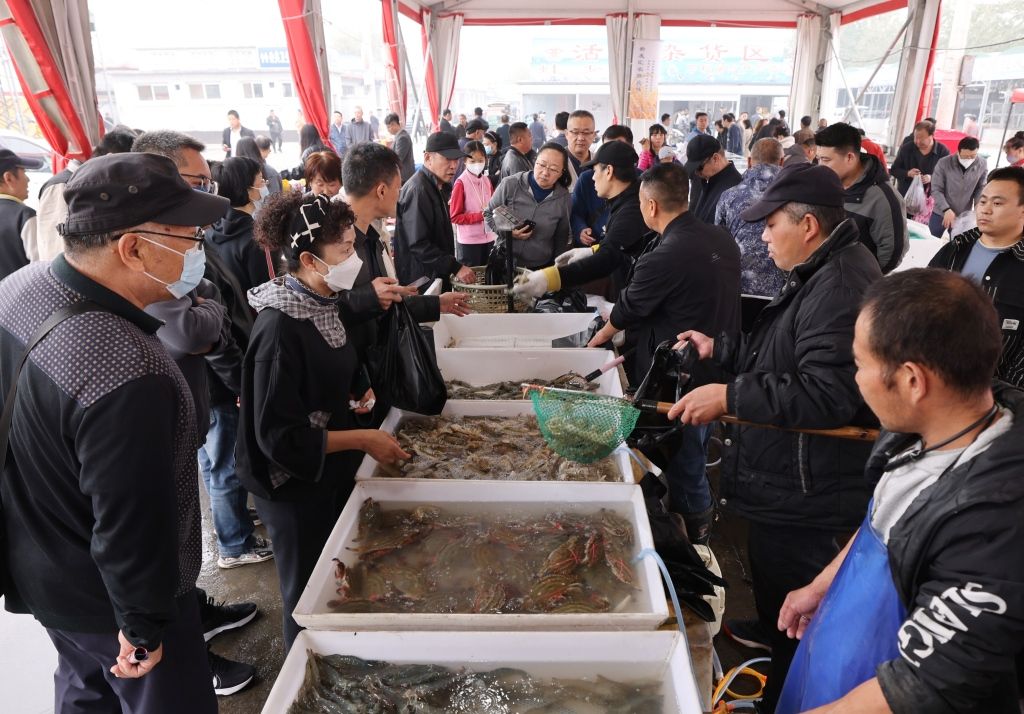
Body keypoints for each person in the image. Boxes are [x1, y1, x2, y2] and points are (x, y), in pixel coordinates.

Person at [0, 152, 229, 713]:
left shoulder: (17, 288)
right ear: (132, 248)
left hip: (41, 565)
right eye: (187, 236)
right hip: (114, 599)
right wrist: (143, 623)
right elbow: (132, 519)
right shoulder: (128, 368)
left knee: (83, 690)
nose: (197, 250)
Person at [666, 163, 883, 709]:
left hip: (809, 491)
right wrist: (721, 349)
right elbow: (783, 354)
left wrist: (728, 397)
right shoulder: (821, 267)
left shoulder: (840, 286)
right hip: (786, 481)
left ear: (807, 225)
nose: (762, 238)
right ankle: (771, 642)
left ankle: (782, 698)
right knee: (777, 600)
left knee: (798, 621)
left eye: (770, 225)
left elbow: (828, 395)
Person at [776, 269, 1024, 714]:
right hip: (840, 644)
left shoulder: (996, 526)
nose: (857, 379)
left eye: (861, 364)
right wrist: (824, 582)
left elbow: (925, 686)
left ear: (912, 380)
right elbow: (887, 516)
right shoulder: (925, 425)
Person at [239, 192, 410, 652]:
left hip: (325, 466)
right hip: (289, 482)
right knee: (306, 592)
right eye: (345, 249)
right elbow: (279, 438)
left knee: (335, 568)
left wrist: (358, 387)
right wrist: (364, 438)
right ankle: (305, 664)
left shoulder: (322, 300)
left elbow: (335, 354)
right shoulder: (279, 329)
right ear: (309, 260)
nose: (355, 259)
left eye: (354, 245)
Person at [585, 162, 740, 542]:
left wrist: (597, 340)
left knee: (685, 463)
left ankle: (696, 541)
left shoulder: (666, 254)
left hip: (681, 380)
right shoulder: (721, 238)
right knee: (694, 453)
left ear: (651, 205)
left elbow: (626, 311)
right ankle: (693, 521)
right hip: (719, 365)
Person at [515, 140, 650, 305]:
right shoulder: (626, 202)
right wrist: (594, 250)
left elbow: (608, 258)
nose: (592, 177)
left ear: (608, 171)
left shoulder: (631, 210)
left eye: (595, 171)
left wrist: (549, 278)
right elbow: (625, 246)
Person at [929, 166, 1024, 388]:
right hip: (934, 377)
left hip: (993, 391)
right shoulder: (955, 249)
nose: (985, 209)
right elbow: (919, 303)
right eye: (982, 201)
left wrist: (1003, 393)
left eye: (997, 203)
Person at [814, 122, 907, 274]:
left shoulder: (883, 198)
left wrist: (861, 278)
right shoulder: (825, 183)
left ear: (850, 158)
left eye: (826, 160)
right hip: (822, 276)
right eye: (818, 159)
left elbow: (892, 253)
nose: (820, 165)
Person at [34, 126, 137, 263]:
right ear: (111, 157)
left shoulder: (94, 182)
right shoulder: (61, 186)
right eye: (126, 166)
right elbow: (55, 247)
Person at [394, 132, 476, 290]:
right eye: (447, 159)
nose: (454, 165)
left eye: (456, 159)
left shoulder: (438, 186)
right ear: (427, 158)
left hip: (435, 274)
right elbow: (418, 244)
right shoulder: (418, 190)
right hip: (422, 280)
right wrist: (454, 266)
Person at [715, 138, 786, 297]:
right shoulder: (793, 197)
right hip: (782, 294)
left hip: (737, 289)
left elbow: (718, 243)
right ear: (782, 161)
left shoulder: (728, 196)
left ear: (749, 161)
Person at [485, 141, 572, 271]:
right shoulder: (510, 184)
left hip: (540, 267)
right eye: (542, 165)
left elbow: (561, 237)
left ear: (561, 172)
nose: (545, 172)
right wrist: (507, 233)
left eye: (553, 169)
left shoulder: (563, 197)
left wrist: (557, 269)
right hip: (505, 261)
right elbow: (488, 214)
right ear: (534, 161)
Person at [207, 157, 273, 293]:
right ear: (248, 190)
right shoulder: (259, 238)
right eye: (261, 180)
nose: (265, 184)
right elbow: (270, 292)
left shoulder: (210, 229)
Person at [569, 124, 633, 249]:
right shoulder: (587, 178)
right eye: (607, 147)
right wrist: (580, 229)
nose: (612, 153)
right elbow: (575, 212)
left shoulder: (641, 183)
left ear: (631, 148)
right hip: (592, 245)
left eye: (618, 147)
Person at [928, 136, 987, 238]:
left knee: (958, 243)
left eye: (973, 156)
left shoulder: (982, 163)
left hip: (963, 214)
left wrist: (978, 204)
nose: (969, 159)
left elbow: (980, 187)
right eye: (965, 156)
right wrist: (946, 209)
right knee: (932, 239)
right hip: (941, 212)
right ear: (958, 152)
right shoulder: (944, 163)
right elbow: (936, 189)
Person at [450, 140, 497, 267]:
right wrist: (480, 216)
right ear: (465, 161)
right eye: (472, 161)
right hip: (469, 243)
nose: (477, 164)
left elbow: (493, 205)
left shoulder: (486, 180)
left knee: (489, 275)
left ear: (486, 160)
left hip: (490, 237)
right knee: (472, 277)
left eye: (481, 160)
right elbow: (455, 217)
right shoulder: (460, 183)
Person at [0, 149, 42, 279]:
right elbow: (40, 268)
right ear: (9, 178)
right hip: (20, 291)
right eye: (24, 172)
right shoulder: (24, 216)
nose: (28, 179)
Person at [891, 120, 951, 208]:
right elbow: (894, 170)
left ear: (932, 135)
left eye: (922, 138)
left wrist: (931, 178)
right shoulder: (906, 148)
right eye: (916, 138)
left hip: (930, 201)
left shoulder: (943, 151)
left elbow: (948, 175)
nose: (918, 141)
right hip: (906, 199)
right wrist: (908, 173)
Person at [684, 135, 742, 224]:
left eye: (699, 168)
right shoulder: (709, 180)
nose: (697, 173)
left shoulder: (734, 190)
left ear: (715, 158)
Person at [565, 110, 597, 188]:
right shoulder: (556, 162)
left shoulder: (601, 163)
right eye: (575, 132)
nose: (580, 138)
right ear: (566, 134)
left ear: (594, 135)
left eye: (586, 133)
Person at [384, 112, 415, 184]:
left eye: (388, 127)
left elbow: (398, 159)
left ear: (393, 124)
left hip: (404, 176)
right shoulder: (399, 136)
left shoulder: (402, 138)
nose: (388, 130)